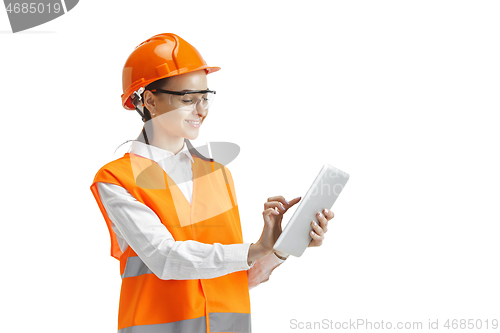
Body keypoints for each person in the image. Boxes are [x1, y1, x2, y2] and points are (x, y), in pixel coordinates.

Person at [89, 33, 335, 333]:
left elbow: (236, 278)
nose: (201, 110)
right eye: (188, 99)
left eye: (205, 98)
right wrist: (253, 249)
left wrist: (281, 247)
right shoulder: (117, 179)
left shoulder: (217, 174)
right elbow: (165, 257)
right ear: (149, 100)